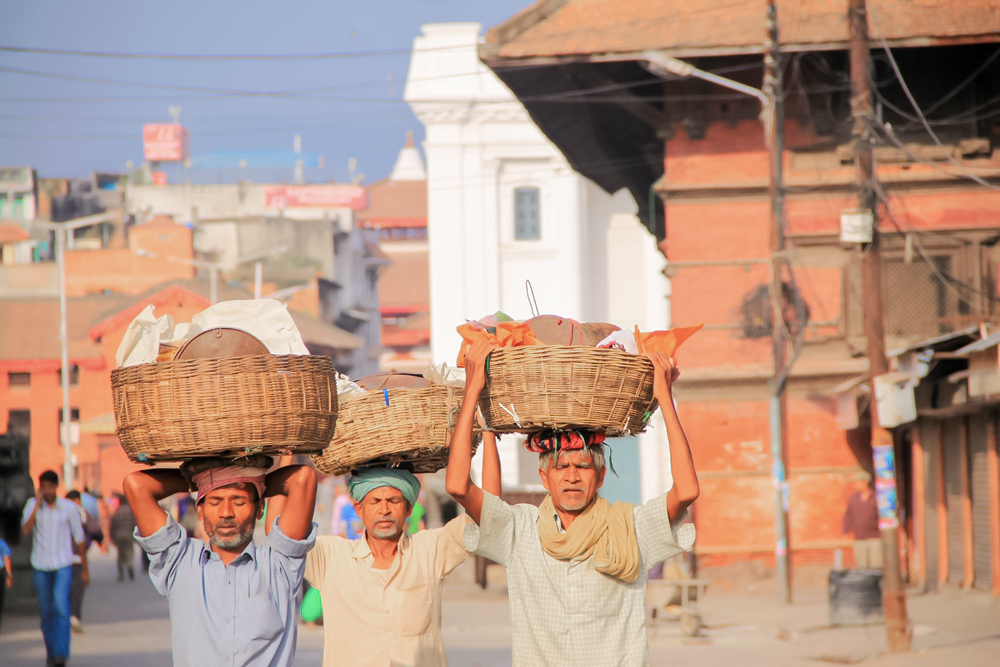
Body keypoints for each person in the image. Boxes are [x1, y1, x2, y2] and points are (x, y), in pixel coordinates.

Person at [446, 342, 700, 666]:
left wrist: (665, 398)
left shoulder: (631, 526)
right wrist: (474, 392)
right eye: (561, 467)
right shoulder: (521, 530)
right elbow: (457, 485)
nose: (572, 477)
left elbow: (687, 490)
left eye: (582, 466)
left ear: (602, 476)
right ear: (543, 477)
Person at [268, 450, 500, 667]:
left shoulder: (430, 550)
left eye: (393, 501)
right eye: (375, 501)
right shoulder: (331, 556)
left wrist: (488, 434)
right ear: (359, 509)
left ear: (409, 509)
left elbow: (489, 511)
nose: (384, 510)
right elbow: (278, 533)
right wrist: (289, 452)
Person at [124, 455, 317, 667]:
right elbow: (136, 485)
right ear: (200, 510)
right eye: (215, 502)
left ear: (259, 509)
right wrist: (206, 478)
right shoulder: (179, 563)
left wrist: (250, 479)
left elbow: (303, 479)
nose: (226, 513)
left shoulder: (279, 566)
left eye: (239, 501)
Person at [21, 470, 89, 667]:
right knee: (46, 611)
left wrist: (85, 569)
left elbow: (80, 539)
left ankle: (61, 654)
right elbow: (25, 530)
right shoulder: (31, 505)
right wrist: (37, 505)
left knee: (61, 606)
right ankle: (51, 652)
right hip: (40, 564)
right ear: (40, 488)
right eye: (44, 487)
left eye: (51, 487)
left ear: (56, 487)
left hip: (63, 564)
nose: (48, 491)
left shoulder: (68, 508)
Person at [842, 471, 881, 570]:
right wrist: (845, 530)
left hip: (875, 537)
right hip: (859, 537)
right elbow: (848, 514)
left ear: (865, 482)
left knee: (876, 565)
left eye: (857, 482)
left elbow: (883, 515)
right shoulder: (853, 498)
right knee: (862, 567)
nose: (855, 485)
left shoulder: (876, 497)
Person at [65, 490, 91, 633]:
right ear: (78, 500)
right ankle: (74, 616)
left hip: (62, 558)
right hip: (77, 557)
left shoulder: (61, 510)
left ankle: (66, 617)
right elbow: (87, 536)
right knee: (77, 590)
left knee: (65, 589)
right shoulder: (81, 512)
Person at [110, 494, 137, 581]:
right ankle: (130, 566)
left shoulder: (117, 512)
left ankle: (121, 574)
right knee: (129, 552)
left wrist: (112, 537)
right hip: (129, 533)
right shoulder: (130, 511)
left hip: (119, 534)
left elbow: (112, 526)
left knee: (120, 555)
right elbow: (135, 523)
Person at [0, 535, 12, 634]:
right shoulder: (2, 543)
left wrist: (8, 575)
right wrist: (9, 575)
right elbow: (6, 559)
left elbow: (6, 559)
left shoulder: (2, 543)